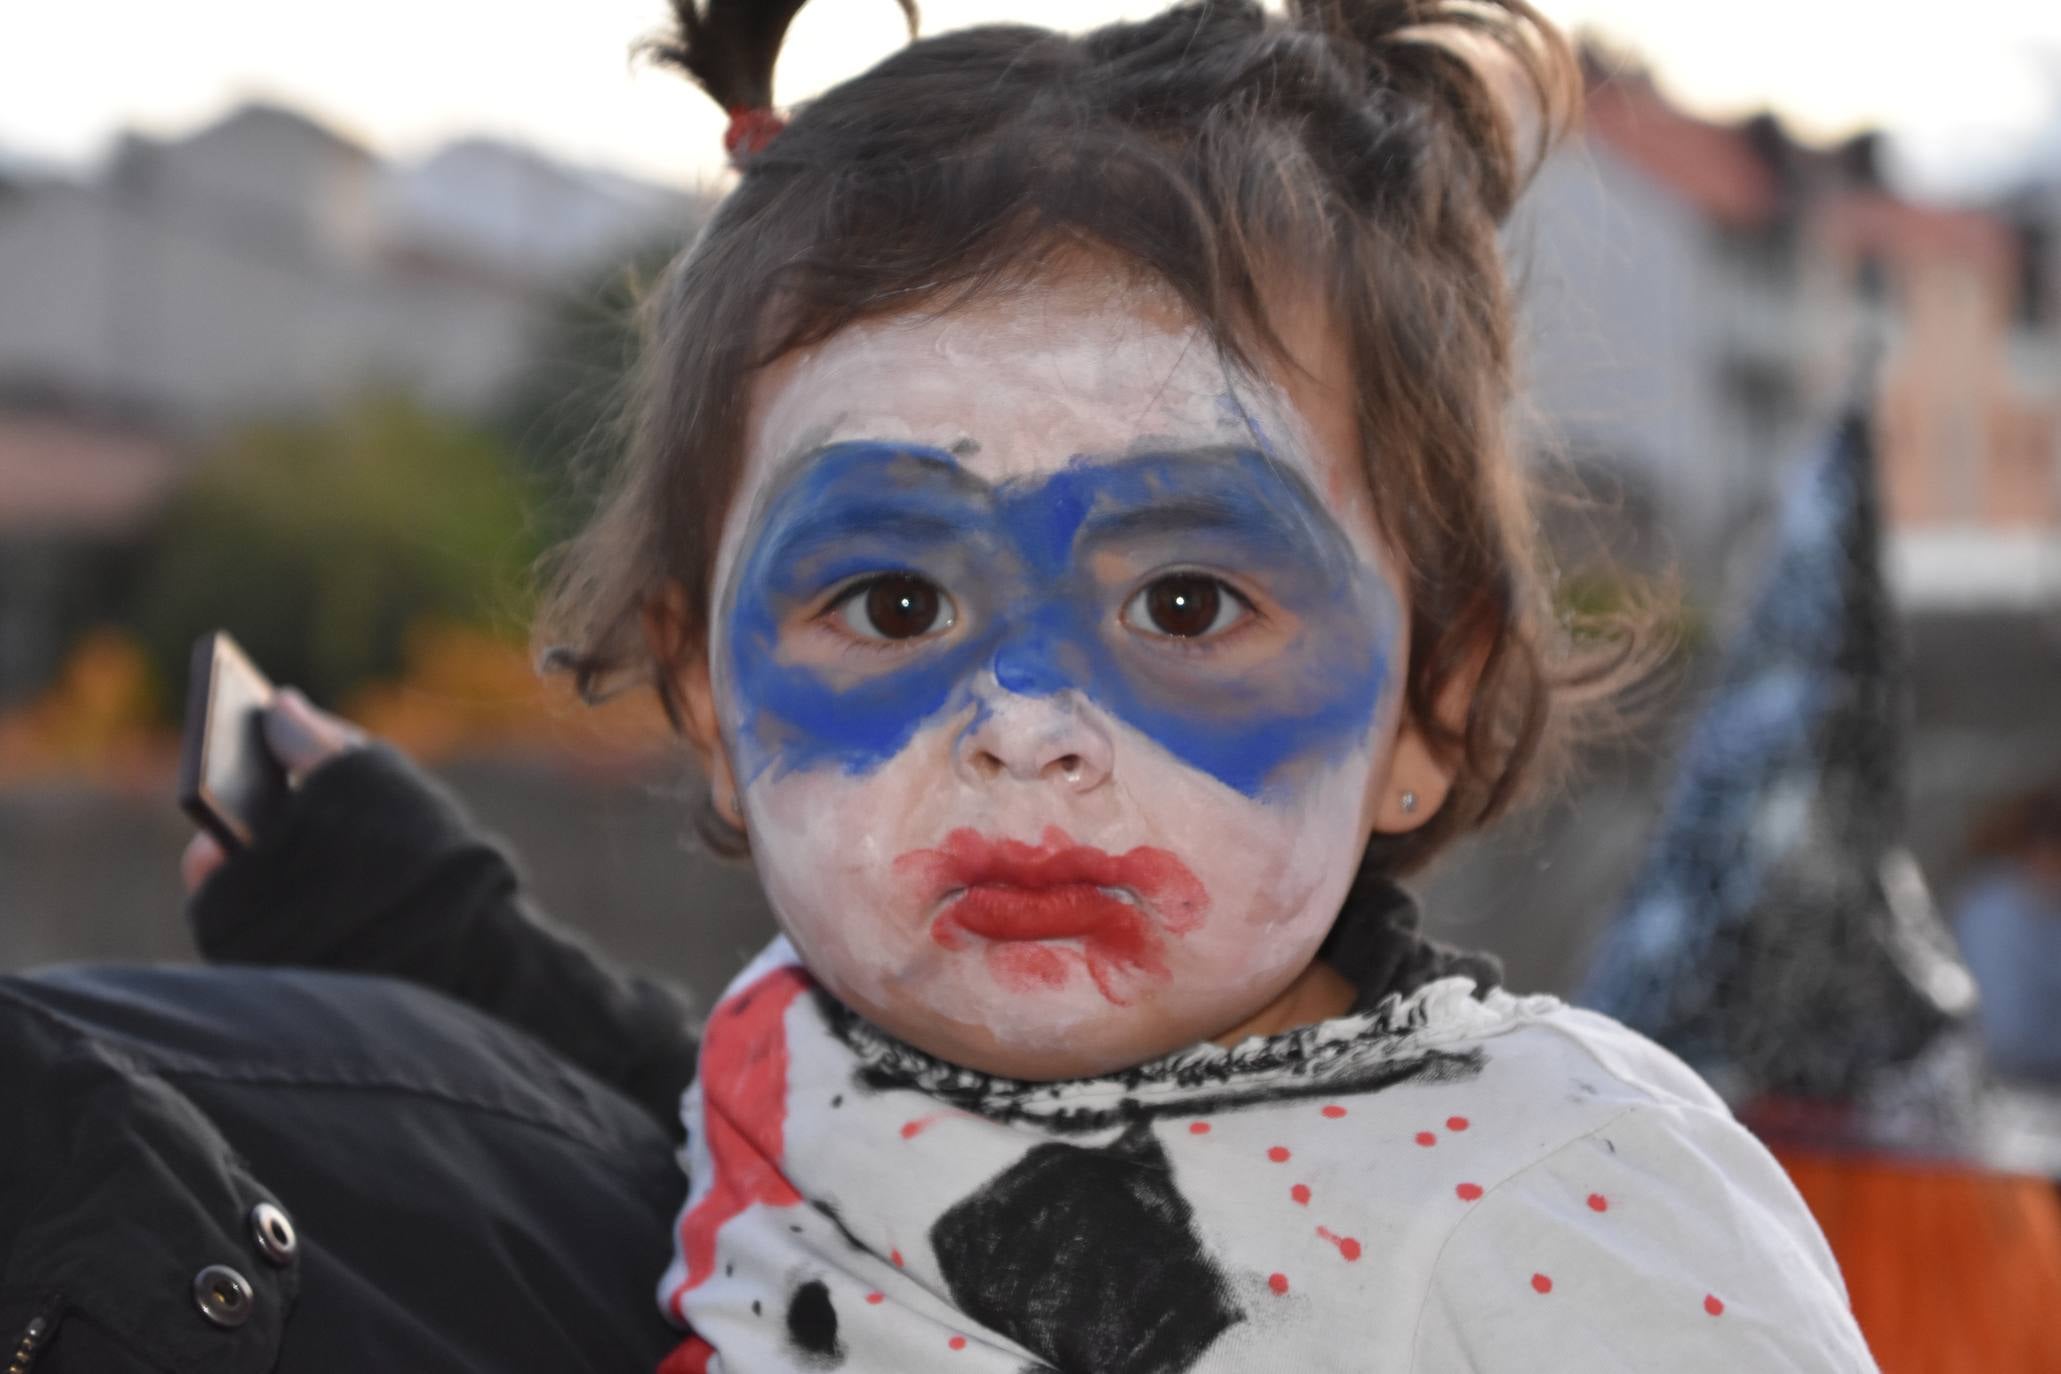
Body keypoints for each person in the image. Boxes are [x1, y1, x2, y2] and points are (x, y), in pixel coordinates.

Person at [13, 0, 1880, 1369]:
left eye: (1189, 596)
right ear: (711, 703)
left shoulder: (1562, 1190)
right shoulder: (823, 1035)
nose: (1027, 722)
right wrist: (406, 914)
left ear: (1430, 704)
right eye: (893, 597)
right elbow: (707, 1107)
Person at [1951, 783, 2061, 1085]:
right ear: (2043, 851)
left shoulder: (2049, 909)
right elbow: (2007, 1036)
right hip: (2012, 1086)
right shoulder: (1994, 914)